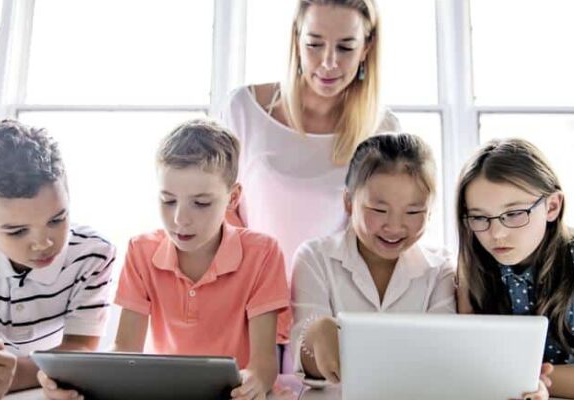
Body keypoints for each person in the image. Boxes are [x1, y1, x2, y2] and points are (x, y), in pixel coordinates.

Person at [37, 119, 291, 400]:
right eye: (168, 201)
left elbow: (265, 365)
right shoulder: (141, 250)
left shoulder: (262, 253)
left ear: (233, 198)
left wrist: (253, 381)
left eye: (201, 203)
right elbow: (125, 350)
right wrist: (78, 379)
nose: (180, 219)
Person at [0, 120, 116, 400]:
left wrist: (12, 373)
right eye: (17, 231)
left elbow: (80, 350)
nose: (44, 243)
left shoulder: (94, 254)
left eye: (57, 219)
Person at [220, 0, 401, 276]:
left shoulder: (382, 129)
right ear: (296, 39)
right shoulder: (244, 109)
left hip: (335, 301)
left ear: (366, 47)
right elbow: (218, 210)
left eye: (346, 47)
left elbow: (382, 234)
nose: (328, 63)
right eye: (314, 44)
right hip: (251, 293)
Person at [456, 138, 574, 399]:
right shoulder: (474, 266)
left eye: (513, 214)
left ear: (552, 207)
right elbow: (470, 369)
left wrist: (527, 378)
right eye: (479, 217)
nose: (496, 233)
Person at [291, 133, 455, 384]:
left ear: (430, 211)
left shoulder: (441, 267)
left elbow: (441, 354)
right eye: (378, 210)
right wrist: (315, 337)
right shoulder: (315, 258)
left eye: (414, 211)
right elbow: (307, 367)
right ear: (348, 202)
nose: (394, 226)